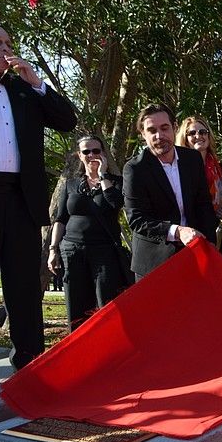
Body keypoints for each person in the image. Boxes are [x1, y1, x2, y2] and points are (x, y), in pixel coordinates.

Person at [0, 23, 77, 369]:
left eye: (8, 42)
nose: (5, 48)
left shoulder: (23, 90)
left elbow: (67, 120)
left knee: (24, 286)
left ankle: (29, 366)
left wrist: (38, 83)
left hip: (21, 198)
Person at [123, 103, 218, 279]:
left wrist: (210, 243)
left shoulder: (192, 159)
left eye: (164, 128)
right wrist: (178, 231)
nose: (159, 136)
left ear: (174, 127)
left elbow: (203, 203)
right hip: (154, 263)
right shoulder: (135, 169)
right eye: (152, 130)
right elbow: (137, 219)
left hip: (194, 258)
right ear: (143, 134)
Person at [48, 135, 127, 331]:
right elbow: (60, 219)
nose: (92, 155)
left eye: (96, 151)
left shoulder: (116, 182)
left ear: (103, 154)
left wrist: (102, 176)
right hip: (72, 251)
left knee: (107, 304)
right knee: (76, 306)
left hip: (104, 252)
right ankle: (78, 353)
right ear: (79, 155)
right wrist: (53, 249)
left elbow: (116, 203)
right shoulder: (70, 184)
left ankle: (111, 347)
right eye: (86, 151)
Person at [177, 116, 222, 252]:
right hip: (193, 235)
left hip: (220, 236)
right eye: (192, 133)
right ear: (185, 139)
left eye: (202, 132)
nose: (198, 136)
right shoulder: (180, 170)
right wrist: (214, 210)